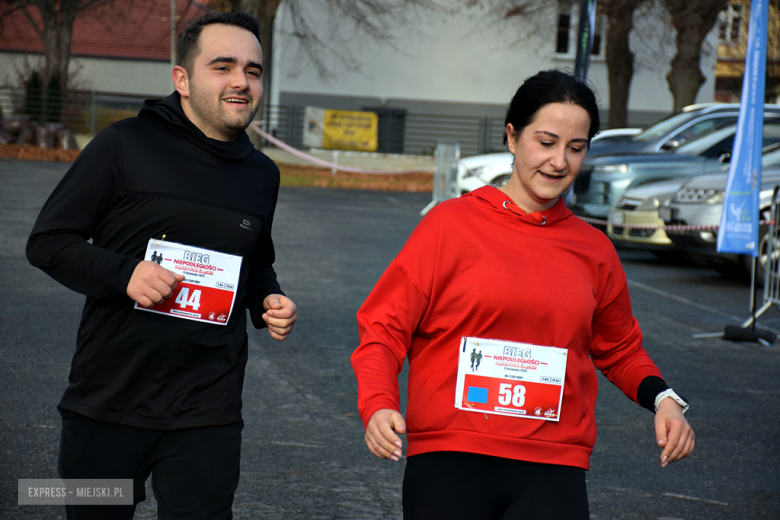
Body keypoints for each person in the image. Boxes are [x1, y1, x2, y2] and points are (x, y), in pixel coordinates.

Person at [351, 70, 694, 520]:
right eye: (546, 142)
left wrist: (665, 399)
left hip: (554, 467)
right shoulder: (448, 226)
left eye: (576, 148)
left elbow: (620, 348)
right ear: (512, 137)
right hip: (451, 460)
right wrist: (378, 405)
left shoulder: (595, 250)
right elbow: (383, 328)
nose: (559, 162)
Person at [26, 12, 296, 520]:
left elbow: (256, 264)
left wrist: (268, 299)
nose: (242, 80)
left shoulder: (263, 174)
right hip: (108, 403)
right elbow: (48, 242)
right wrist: (124, 274)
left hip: (207, 412)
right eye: (223, 66)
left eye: (254, 70)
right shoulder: (123, 145)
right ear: (182, 80)